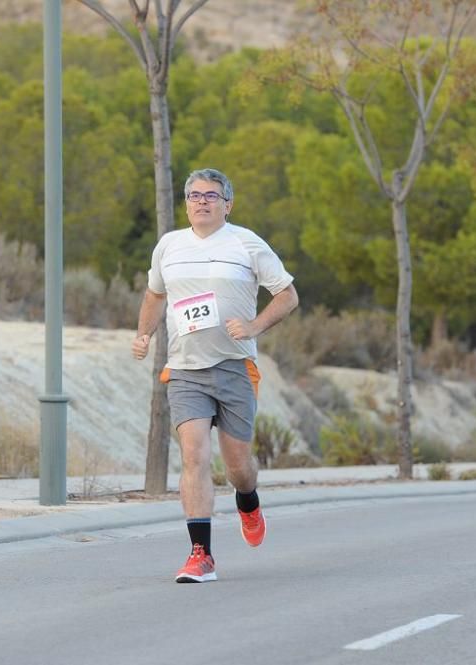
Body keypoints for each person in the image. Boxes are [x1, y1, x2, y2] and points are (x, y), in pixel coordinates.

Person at [131, 168, 299, 583]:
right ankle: (200, 553)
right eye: (193, 195)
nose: (201, 201)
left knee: (237, 466)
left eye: (211, 195)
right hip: (186, 369)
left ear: (228, 203)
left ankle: (248, 501)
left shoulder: (245, 242)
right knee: (194, 456)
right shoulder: (170, 245)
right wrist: (144, 334)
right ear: (186, 203)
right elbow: (155, 294)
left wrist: (255, 326)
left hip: (234, 366)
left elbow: (288, 294)